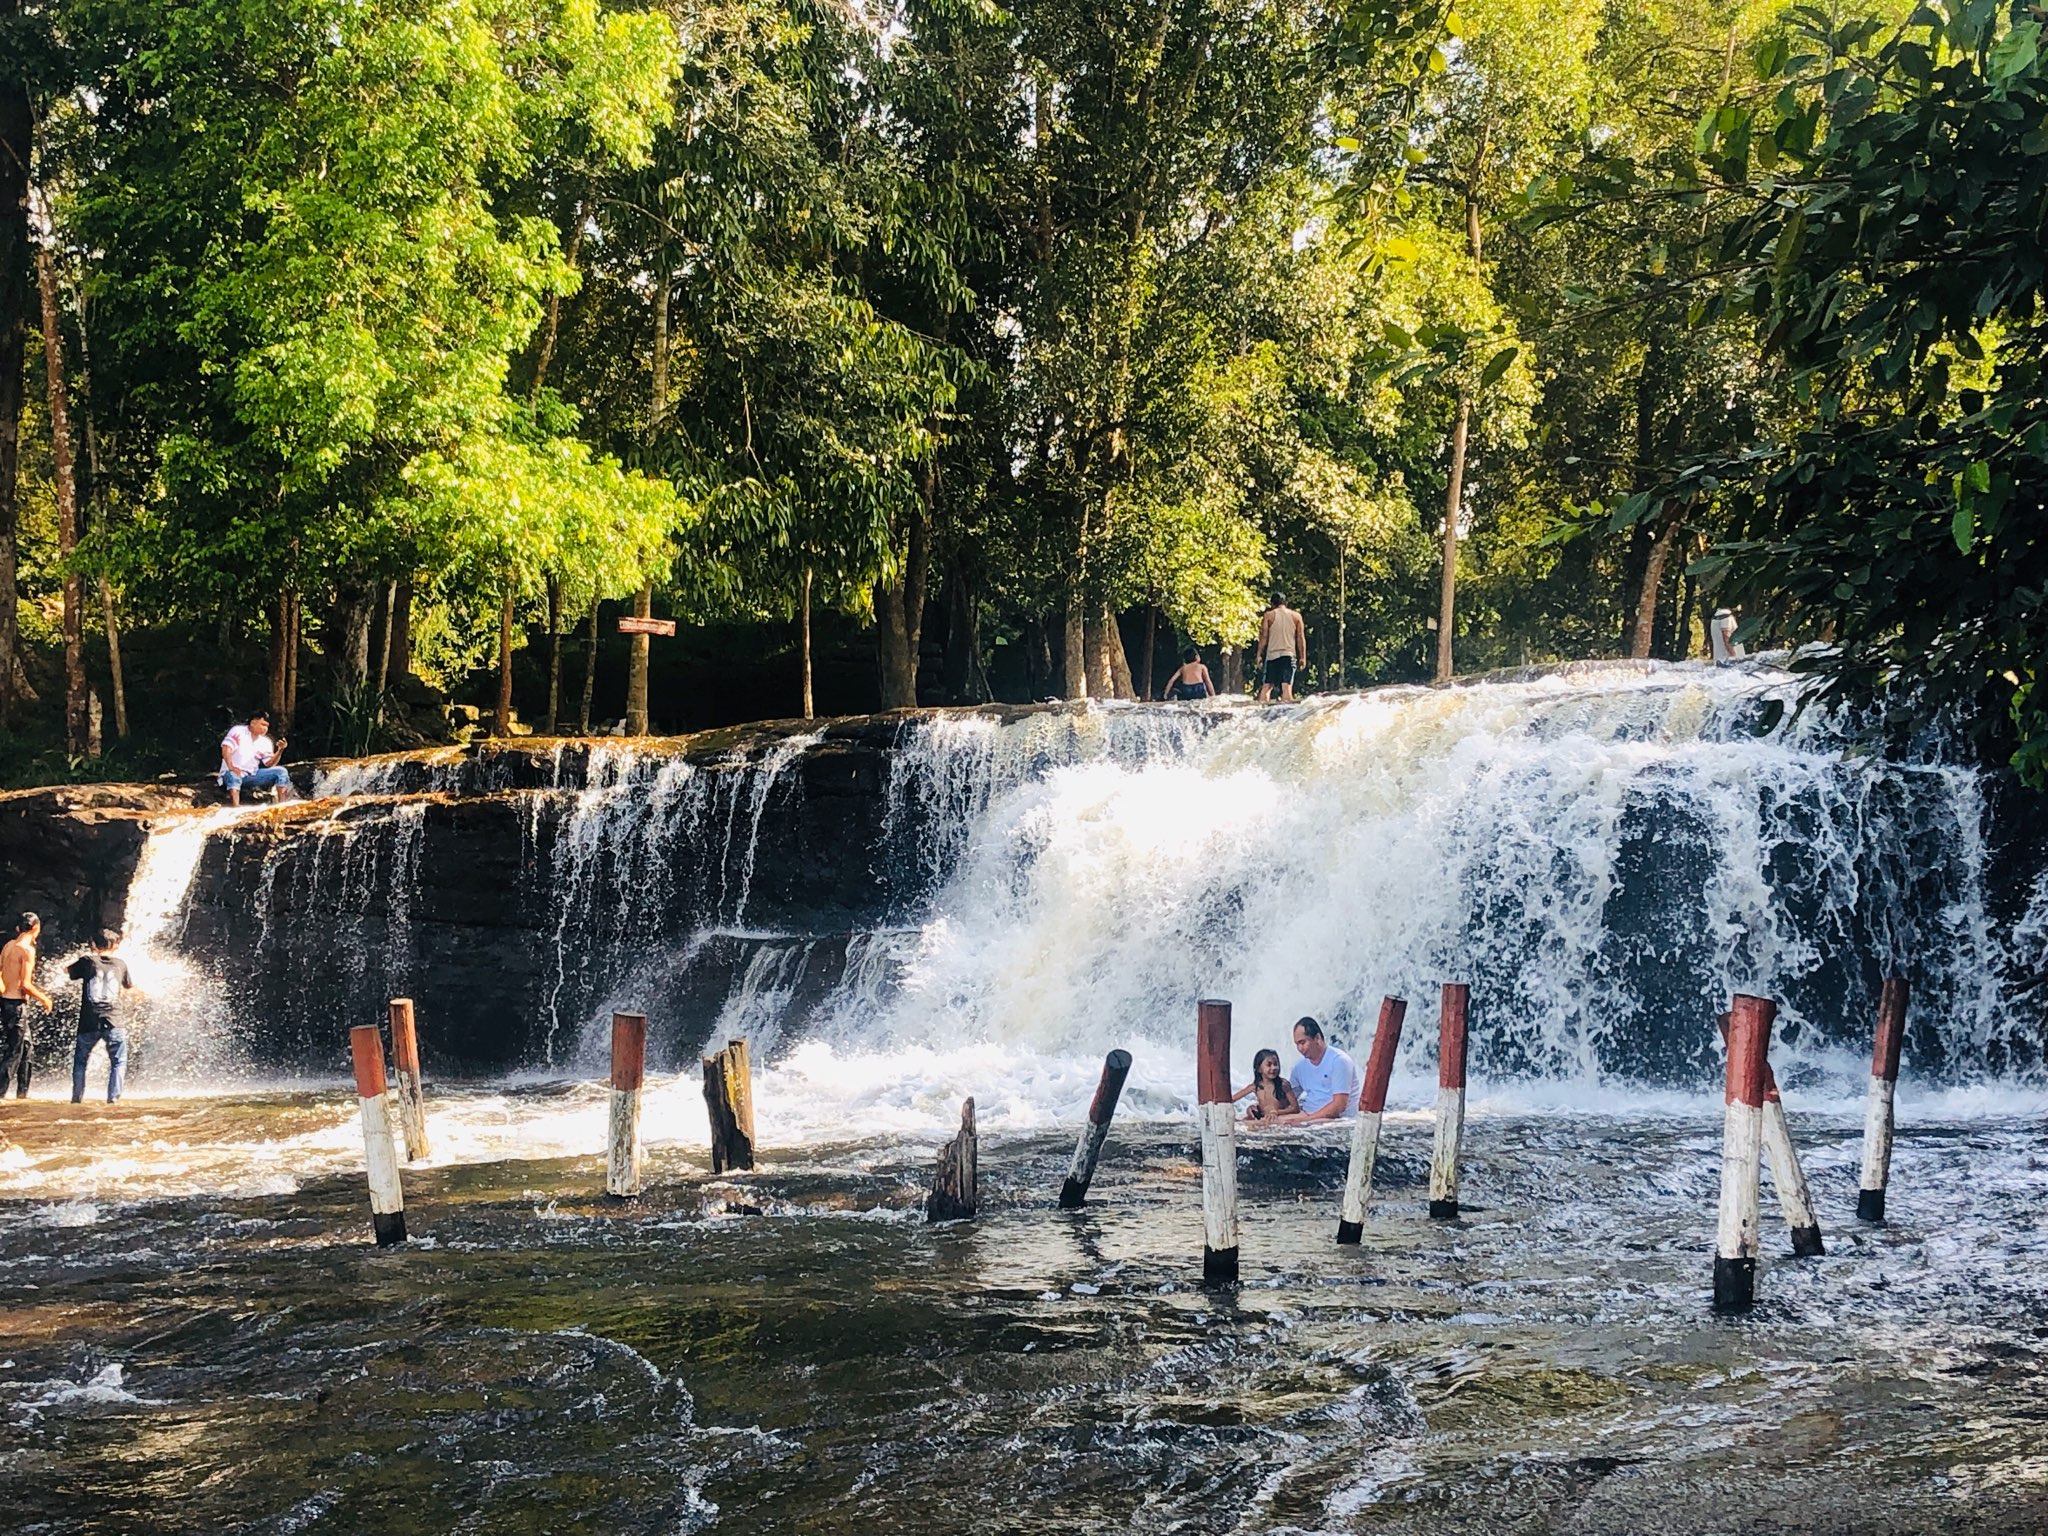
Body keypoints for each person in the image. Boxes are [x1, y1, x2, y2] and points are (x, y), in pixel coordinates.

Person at [67, 929, 137, 1104]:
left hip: (89, 1022)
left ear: (94, 945)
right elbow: (129, 986)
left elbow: (68, 972)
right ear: (115, 945)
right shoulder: (121, 964)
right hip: (114, 1020)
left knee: (80, 1062)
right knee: (118, 1062)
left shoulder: (87, 961)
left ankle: (76, 1099)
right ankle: (113, 1099)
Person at [1, 912, 53, 1099]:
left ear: (18, 928)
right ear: (36, 928)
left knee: (27, 1049)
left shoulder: (9, 945)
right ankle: (1, 1093)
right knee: (13, 1053)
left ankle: (22, 1094)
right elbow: (25, 984)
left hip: (6, 1002)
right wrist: (44, 998)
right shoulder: (27, 950)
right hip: (16, 1005)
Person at [1276, 1016, 1357, 1123]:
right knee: (1267, 1122)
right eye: (1297, 1044)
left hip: (1336, 1121)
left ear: (1317, 1038)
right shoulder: (1299, 1067)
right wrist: (1262, 1107)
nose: (1299, 1048)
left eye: (1302, 1043)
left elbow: (1339, 1105)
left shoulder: (1339, 1061)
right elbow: (1288, 1098)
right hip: (1309, 1116)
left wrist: (1305, 1120)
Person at [219, 710, 297, 806]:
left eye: (267, 726)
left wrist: (280, 750)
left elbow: (269, 764)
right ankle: (236, 806)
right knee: (234, 776)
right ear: (253, 723)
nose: (265, 729)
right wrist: (231, 767)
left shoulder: (265, 742)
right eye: (263, 725)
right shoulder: (238, 731)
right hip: (231, 772)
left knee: (281, 772)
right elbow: (226, 748)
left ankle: (282, 805)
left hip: (252, 775)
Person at [1255, 592, 1307, 703]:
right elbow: (1300, 637)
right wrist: (1302, 657)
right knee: (1286, 687)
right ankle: (1286, 711)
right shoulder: (1296, 616)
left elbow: (1264, 637)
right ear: (1286, 603)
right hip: (1288, 654)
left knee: (1267, 686)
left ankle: (1261, 709)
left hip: (1272, 655)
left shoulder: (1268, 616)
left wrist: (1259, 655)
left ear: (1272, 604)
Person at [1232, 1047, 1299, 1125]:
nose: (1273, 1068)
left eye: (1276, 1064)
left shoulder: (1283, 1084)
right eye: (1269, 1065)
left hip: (1279, 1118)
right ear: (1259, 1069)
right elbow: (1232, 1099)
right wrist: (1251, 1109)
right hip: (1264, 1118)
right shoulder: (1255, 1087)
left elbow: (1295, 1108)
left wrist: (1276, 1112)